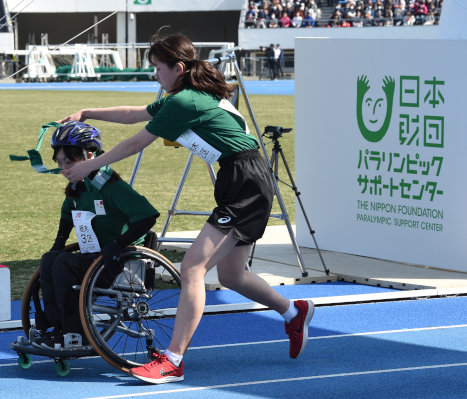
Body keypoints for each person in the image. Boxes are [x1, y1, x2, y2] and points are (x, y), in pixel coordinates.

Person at [57, 28, 315, 385]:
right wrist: (88, 112)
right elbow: (135, 114)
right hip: (241, 178)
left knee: (192, 266)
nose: (155, 75)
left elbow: (135, 143)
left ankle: (173, 361)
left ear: (178, 67)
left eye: (159, 68)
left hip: (245, 180)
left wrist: (89, 165)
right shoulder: (180, 96)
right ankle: (293, 311)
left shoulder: (184, 101)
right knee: (231, 275)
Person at [35, 121, 160, 344]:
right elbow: (67, 215)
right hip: (95, 258)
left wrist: (117, 245)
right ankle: (57, 325)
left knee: (63, 263)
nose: (65, 170)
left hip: (119, 262)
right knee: (50, 259)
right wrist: (58, 243)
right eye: (60, 163)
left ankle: (75, 332)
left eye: (70, 162)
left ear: (90, 155)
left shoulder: (112, 187)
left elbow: (148, 216)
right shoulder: (77, 187)